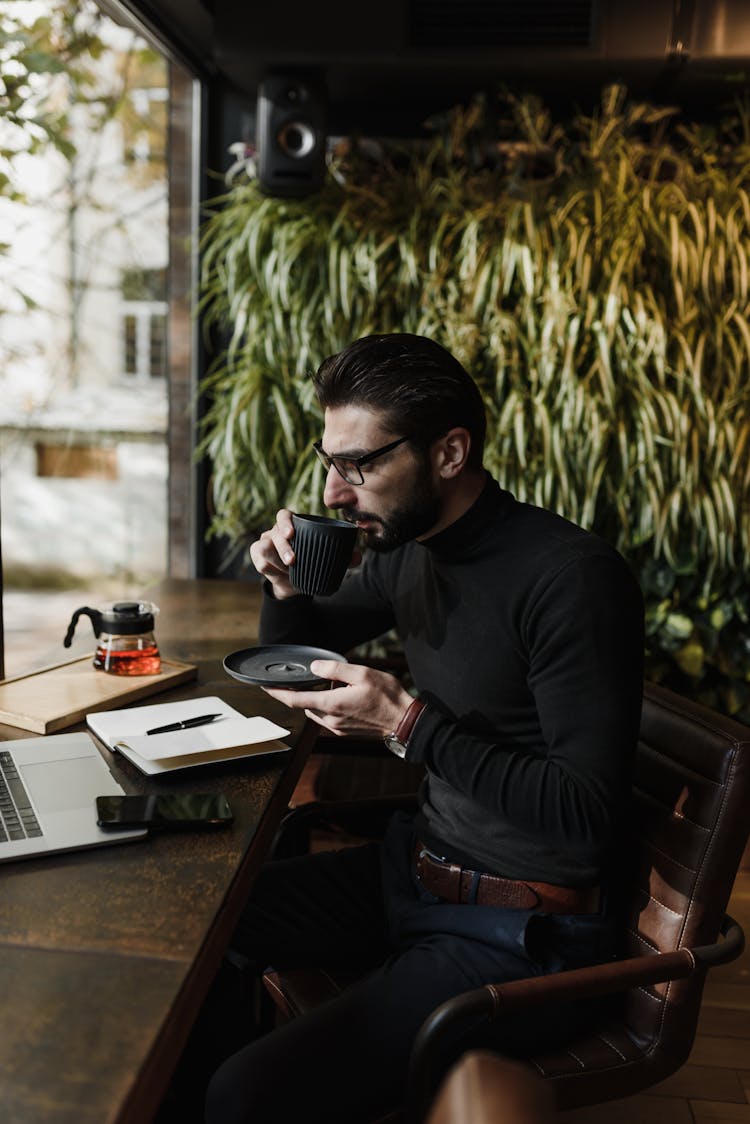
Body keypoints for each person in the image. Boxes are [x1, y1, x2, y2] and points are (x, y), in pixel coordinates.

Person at [204, 333, 645, 1124]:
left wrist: (407, 723)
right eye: (331, 461)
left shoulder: (569, 580)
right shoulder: (413, 552)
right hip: (416, 876)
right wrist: (281, 583)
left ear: (449, 452)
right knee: (198, 930)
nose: (336, 494)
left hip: (523, 932)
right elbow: (302, 656)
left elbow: (590, 817)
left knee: (244, 1094)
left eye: (360, 465)